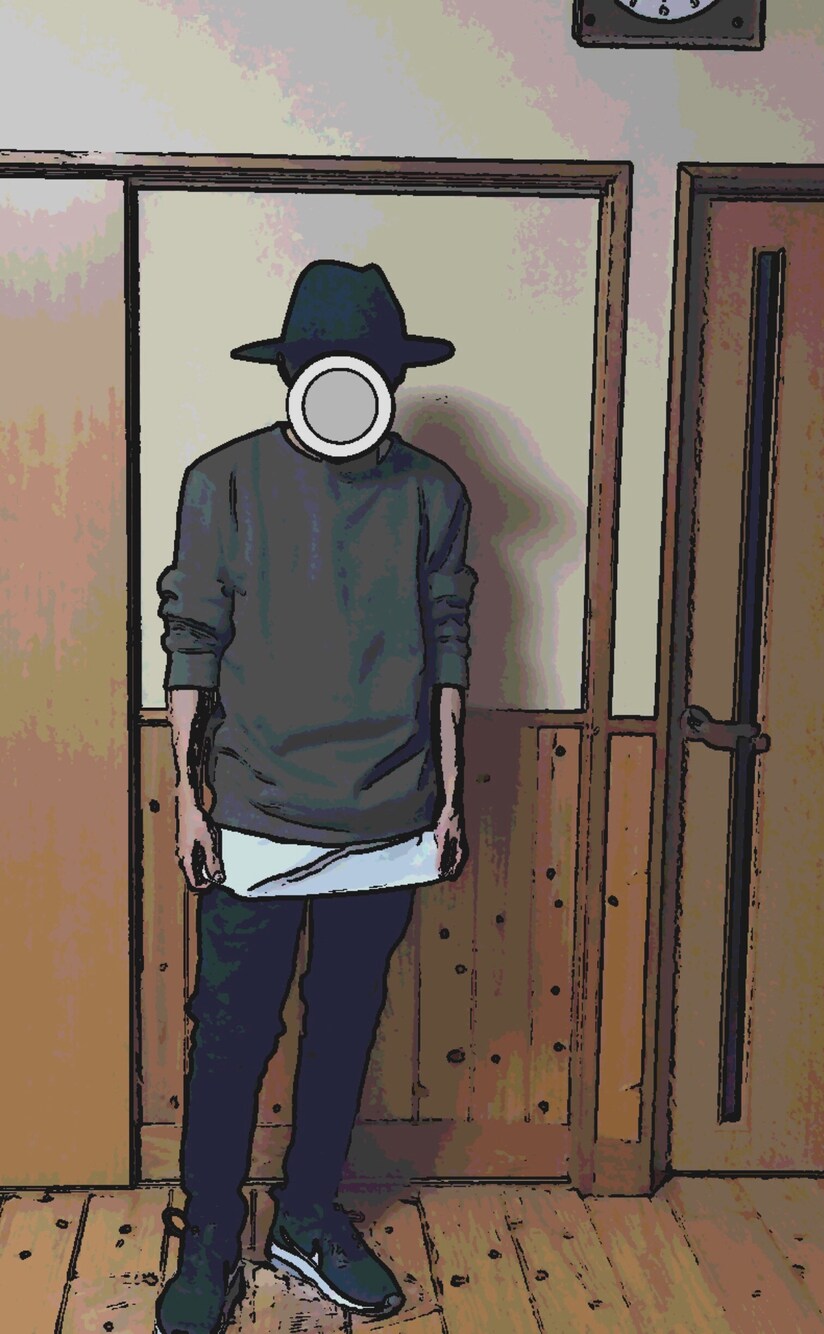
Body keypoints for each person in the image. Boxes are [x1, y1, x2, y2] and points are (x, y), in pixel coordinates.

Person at [153, 260, 477, 1334]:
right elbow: (191, 639)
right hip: (253, 808)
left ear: (392, 377)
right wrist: (187, 799)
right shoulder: (222, 481)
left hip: (392, 809)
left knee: (345, 1026)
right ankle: (209, 1235)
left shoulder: (434, 492)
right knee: (230, 1033)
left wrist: (450, 795)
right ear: (293, 374)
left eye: (366, 366)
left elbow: (449, 641)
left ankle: (306, 1218)